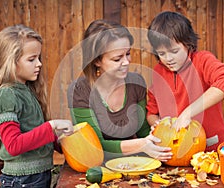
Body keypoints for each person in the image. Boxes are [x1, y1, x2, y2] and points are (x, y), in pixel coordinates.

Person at [0, 24, 74, 188]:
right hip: (23, 182)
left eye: (39, 58)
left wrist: (60, 141)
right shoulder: (6, 95)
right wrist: (51, 126)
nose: (39, 64)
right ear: (9, 61)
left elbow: (32, 131)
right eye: (31, 59)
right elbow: (14, 145)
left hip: (35, 178)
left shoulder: (25, 90)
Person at [68, 19, 172, 161]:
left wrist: (161, 130)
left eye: (128, 53)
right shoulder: (80, 90)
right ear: (96, 61)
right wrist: (139, 145)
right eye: (117, 59)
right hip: (96, 168)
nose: (126, 62)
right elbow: (94, 146)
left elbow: (143, 132)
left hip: (134, 164)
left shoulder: (136, 82)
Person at [146, 11, 224, 151]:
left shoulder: (202, 61)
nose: (168, 58)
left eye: (174, 51)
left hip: (209, 147)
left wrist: (188, 112)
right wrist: (159, 125)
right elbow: (152, 112)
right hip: (174, 150)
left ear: (188, 43)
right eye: (162, 53)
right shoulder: (159, 72)